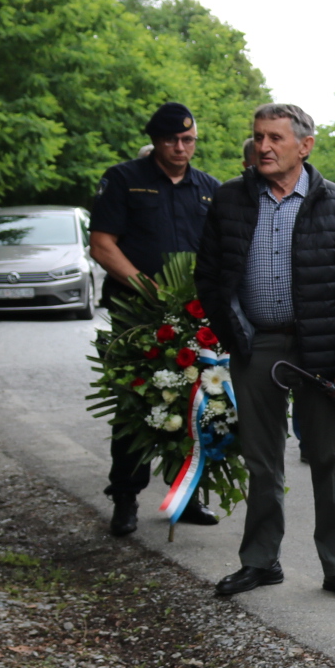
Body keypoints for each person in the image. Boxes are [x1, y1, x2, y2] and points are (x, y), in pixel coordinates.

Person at [194, 103, 335, 604]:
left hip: (320, 346)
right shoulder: (230, 199)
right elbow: (208, 274)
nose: (264, 147)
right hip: (257, 343)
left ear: (305, 145)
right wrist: (233, 330)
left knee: (328, 457)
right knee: (260, 459)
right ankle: (259, 560)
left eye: (275, 137)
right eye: (258, 137)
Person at [90, 102, 222, 536]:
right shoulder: (124, 180)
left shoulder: (208, 188)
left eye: (188, 140)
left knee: (194, 405)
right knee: (137, 404)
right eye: (171, 140)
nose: (181, 148)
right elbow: (103, 245)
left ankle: (185, 496)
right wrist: (149, 289)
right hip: (137, 312)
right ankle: (125, 496)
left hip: (193, 315)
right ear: (155, 139)